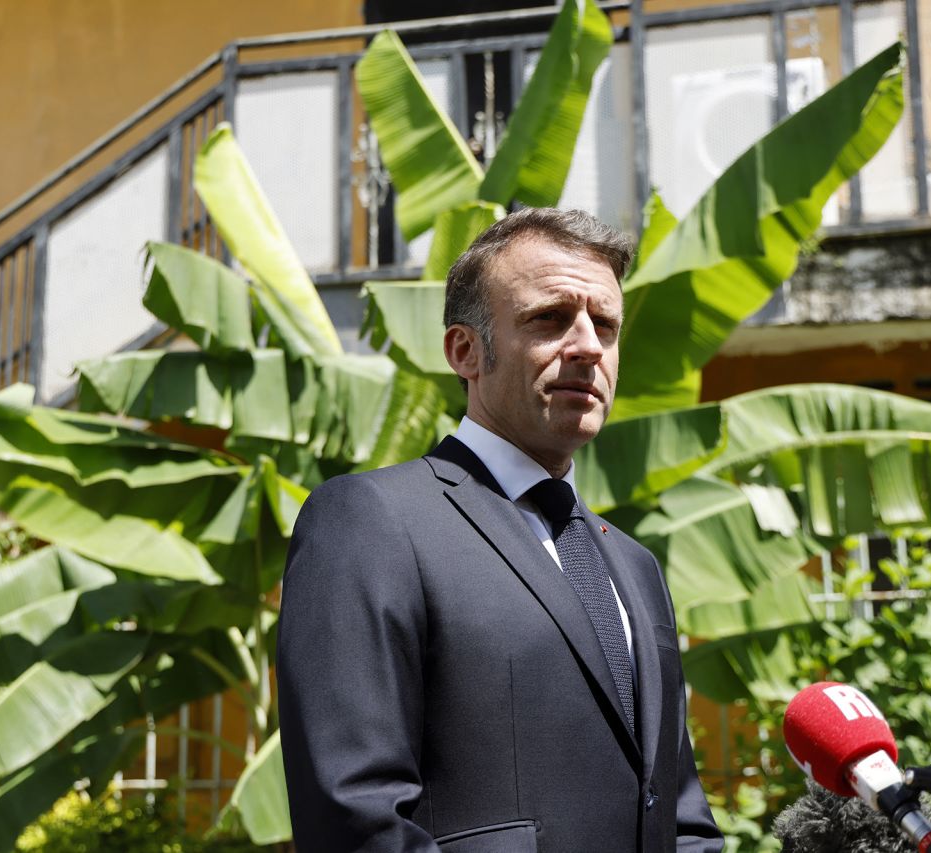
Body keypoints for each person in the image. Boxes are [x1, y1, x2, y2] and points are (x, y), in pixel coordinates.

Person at [277, 208, 723, 852]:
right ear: (466, 351)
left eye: (605, 325)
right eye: (550, 318)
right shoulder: (372, 520)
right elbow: (355, 814)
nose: (588, 347)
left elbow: (677, 812)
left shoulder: (632, 564)